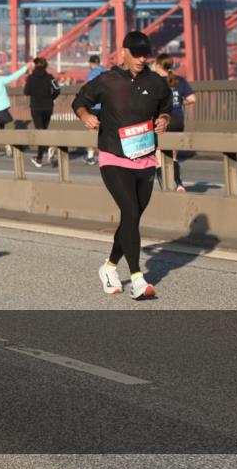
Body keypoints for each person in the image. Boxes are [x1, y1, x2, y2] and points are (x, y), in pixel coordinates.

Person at [72, 32, 172, 300]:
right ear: (124, 51)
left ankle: (108, 268)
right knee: (129, 210)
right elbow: (79, 101)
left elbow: (167, 103)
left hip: (146, 157)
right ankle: (138, 279)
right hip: (114, 156)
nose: (142, 58)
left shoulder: (156, 82)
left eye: (145, 54)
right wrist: (86, 115)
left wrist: (164, 118)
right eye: (136, 53)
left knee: (133, 217)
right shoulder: (107, 80)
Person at [153, 54, 195, 191]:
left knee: (159, 157)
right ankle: (178, 184)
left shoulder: (154, 81)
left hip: (161, 121)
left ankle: (165, 186)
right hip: (177, 120)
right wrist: (180, 102)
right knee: (174, 157)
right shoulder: (180, 80)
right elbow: (193, 99)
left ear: (159, 65)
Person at [23, 57, 61, 168]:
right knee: (44, 130)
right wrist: (51, 98)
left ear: (35, 66)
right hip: (48, 106)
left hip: (36, 107)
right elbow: (58, 89)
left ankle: (40, 158)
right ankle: (46, 150)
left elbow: (26, 91)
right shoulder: (50, 77)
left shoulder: (31, 78)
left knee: (40, 132)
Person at [83, 55, 106, 165]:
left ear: (91, 63)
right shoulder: (106, 72)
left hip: (93, 106)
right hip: (105, 106)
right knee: (104, 130)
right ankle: (105, 155)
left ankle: (91, 156)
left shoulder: (91, 75)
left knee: (92, 130)